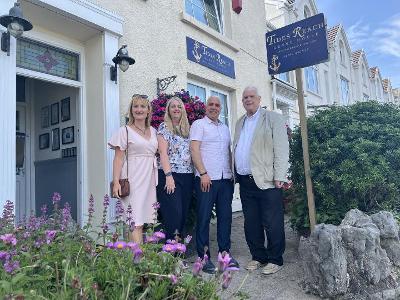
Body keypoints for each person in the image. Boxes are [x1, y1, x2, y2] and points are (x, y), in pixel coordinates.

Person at [233, 86, 289, 275]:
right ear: (242, 101)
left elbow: (281, 148)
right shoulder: (240, 122)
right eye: (245, 97)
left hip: (267, 180)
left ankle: (275, 259)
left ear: (258, 99)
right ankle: (258, 256)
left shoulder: (272, 118)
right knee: (251, 222)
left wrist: (280, 175)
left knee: (272, 222)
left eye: (251, 96)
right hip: (245, 180)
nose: (248, 99)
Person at [190, 95, 238, 274]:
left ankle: (224, 254)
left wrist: (233, 173)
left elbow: (228, 151)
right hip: (206, 179)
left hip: (225, 180)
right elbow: (194, 150)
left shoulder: (225, 128)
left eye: (217, 105)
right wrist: (203, 173)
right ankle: (203, 258)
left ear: (220, 109)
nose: (214, 107)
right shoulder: (198, 125)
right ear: (205, 107)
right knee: (203, 219)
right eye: (211, 104)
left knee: (225, 218)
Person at [108, 94, 158, 244]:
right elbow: (118, 158)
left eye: (143, 106)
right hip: (133, 178)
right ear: (131, 110)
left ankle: (138, 258)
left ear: (148, 110)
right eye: (135, 106)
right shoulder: (125, 131)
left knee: (144, 219)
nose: (139, 109)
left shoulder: (154, 131)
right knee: (134, 219)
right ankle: (139, 259)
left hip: (149, 178)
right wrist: (116, 181)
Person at [157, 97, 194, 241]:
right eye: (173, 106)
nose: (176, 109)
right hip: (170, 176)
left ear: (183, 109)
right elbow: (163, 153)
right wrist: (168, 176)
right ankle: (171, 253)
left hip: (187, 175)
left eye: (179, 106)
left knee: (183, 214)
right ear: (168, 110)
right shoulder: (164, 127)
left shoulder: (187, 129)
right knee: (174, 214)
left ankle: (178, 254)